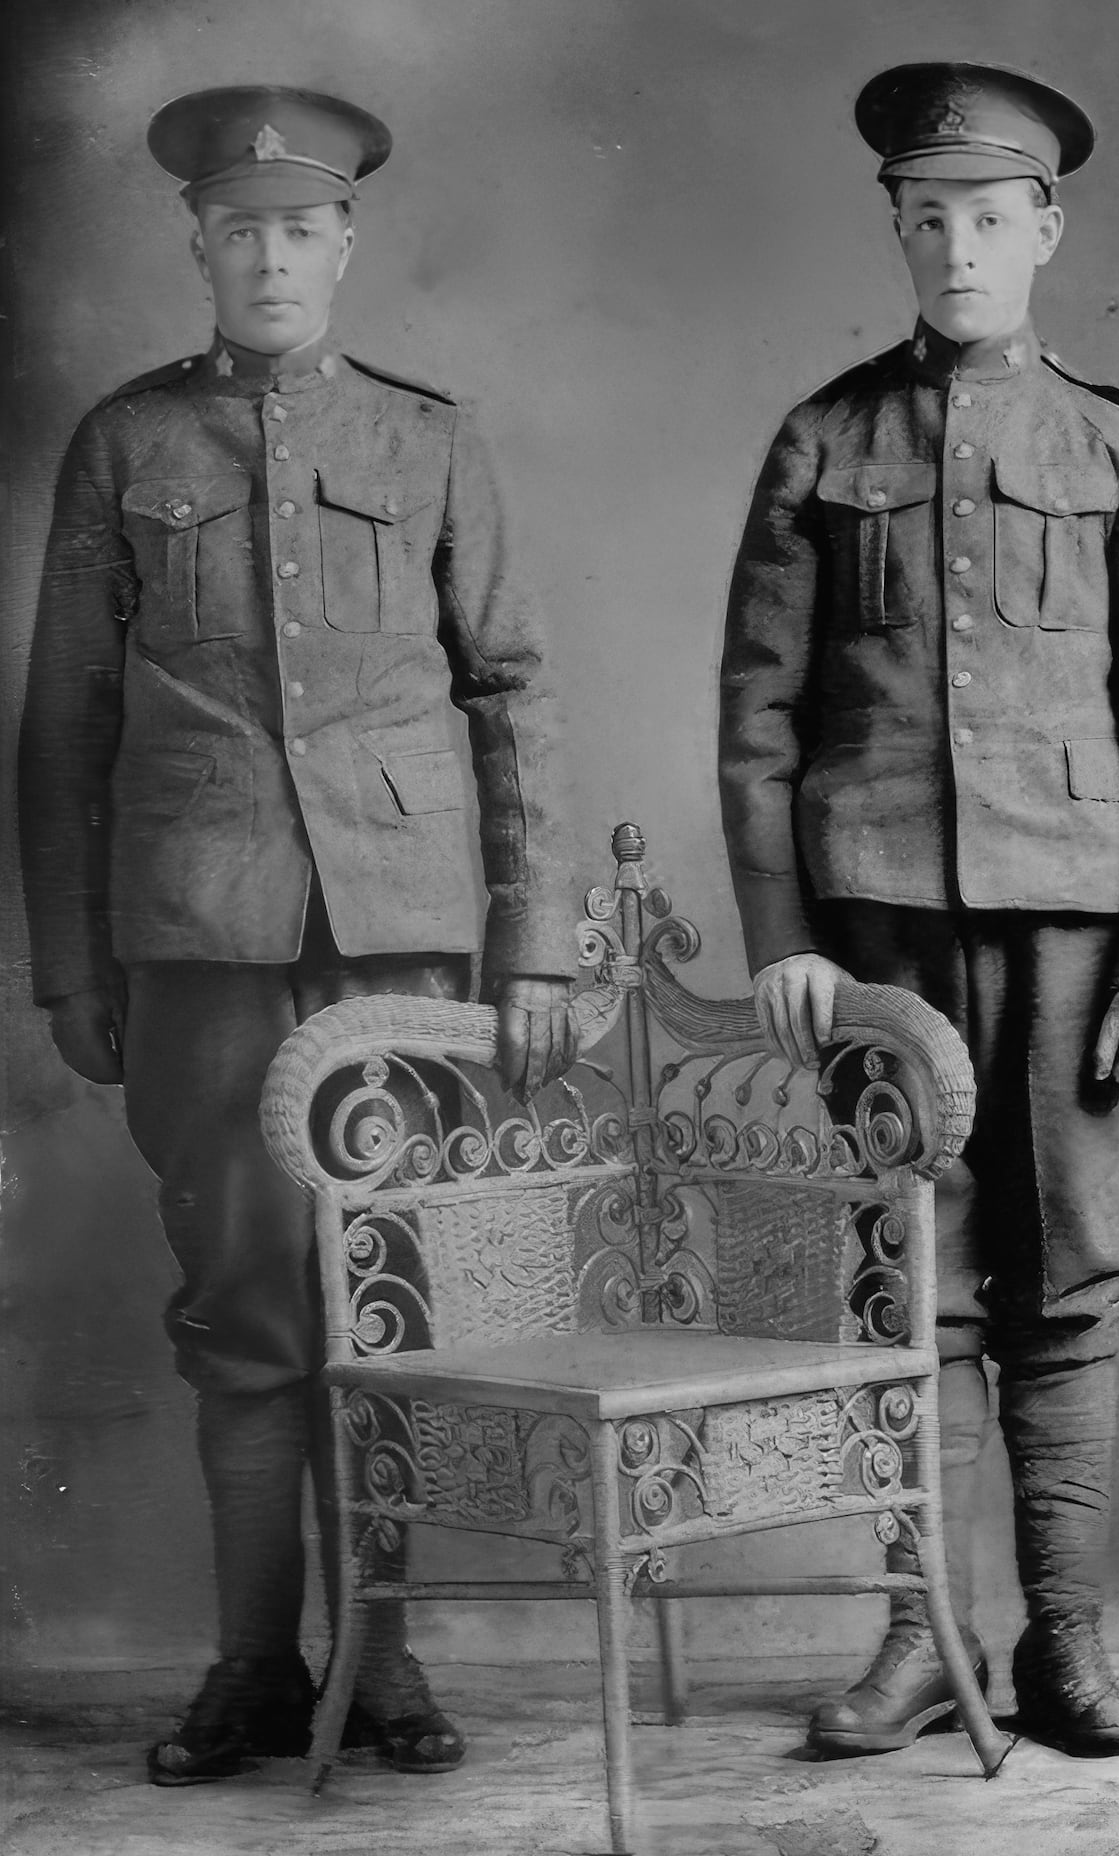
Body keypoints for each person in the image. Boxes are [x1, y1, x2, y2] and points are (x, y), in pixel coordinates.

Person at [18, 85, 577, 1784]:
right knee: (249, 1310)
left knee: (389, 1301)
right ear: (197, 243)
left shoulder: (428, 437)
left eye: (299, 228)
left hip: (402, 949)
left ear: (346, 245)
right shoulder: (127, 445)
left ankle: (383, 1669)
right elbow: (64, 729)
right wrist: (68, 964)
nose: (270, 256)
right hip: (200, 943)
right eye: (238, 228)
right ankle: (255, 1668)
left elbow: (514, 696)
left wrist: (532, 944)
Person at [717, 61, 1119, 1757]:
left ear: (1047, 229)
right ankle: (920, 1638)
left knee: (1058, 1284)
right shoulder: (825, 436)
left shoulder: (1116, 442)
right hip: (874, 936)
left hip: (1073, 933)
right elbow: (762, 713)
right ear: (898, 229)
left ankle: (1064, 1646)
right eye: (927, 218)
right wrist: (786, 933)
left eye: (989, 218)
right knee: (904, 1281)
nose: (957, 246)